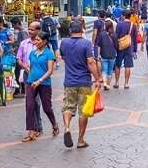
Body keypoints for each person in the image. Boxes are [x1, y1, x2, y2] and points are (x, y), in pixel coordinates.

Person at [60, 20, 103, 149]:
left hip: (69, 81)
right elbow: (90, 62)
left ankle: (67, 128)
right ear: (82, 30)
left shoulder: (64, 43)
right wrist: (97, 78)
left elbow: (63, 58)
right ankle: (80, 140)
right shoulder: (86, 44)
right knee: (83, 111)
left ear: (70, 31)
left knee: (67, 107)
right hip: (84, 81)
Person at [23, 31, 58, 142]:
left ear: (45, 41)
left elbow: (50, 71)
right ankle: (32, 131)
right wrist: (29, 72)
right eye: (35, 40)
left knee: (47, 107)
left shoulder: (49, 54)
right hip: (31, 82)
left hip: (44, 83)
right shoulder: (32, 53)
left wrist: (39, 80)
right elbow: (32, 66)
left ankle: (54, 124)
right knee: (30, 106)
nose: (36, 42)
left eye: (38, 40)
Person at [16, 21, 42, 131]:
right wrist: (25, 66)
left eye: (32, 29)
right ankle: (33, 127)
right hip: (27, 74)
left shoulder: (42, 43)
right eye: (29, 29)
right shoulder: (24, 43)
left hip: (39, 75)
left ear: (38, 30)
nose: (29, 31)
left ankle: (38, 125)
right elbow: (18, 59)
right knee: (30, 100)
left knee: (37, 101)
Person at [0, 17, 14, 106]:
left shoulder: (8, 31)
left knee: (5, 76)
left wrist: (4, 42)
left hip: (7, 55)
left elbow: (12, 40)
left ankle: (5, 96)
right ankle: (0, 97)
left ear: (1, 23)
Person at [114, 10, 134, 88]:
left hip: (120, 47)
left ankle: (116, 82)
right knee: (127, 66)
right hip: (129, 47)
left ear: (124, 16)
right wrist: (134, 49)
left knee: (117, 65)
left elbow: (116, 37)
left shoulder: (119, 25)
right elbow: (134, 39)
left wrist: (115, 47)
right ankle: (126, 83)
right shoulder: (133, 25)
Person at [97, 19, 117, 91]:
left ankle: (104, 83)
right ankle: (108, 84)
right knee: (110, 70)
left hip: (104, 54)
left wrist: (98, 54)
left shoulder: (101, 34)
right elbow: (116, 46)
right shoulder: (114, 35)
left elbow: (99, 45)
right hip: (112, 55)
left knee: (104, 70)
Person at [11, 17, 28, 97]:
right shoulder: (23, 31)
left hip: (21, 56)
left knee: (19, 72)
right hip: (22, 56)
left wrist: (16, 47)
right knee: (19, 72)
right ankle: (21, 90)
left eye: (13, 24)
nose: (13, 26)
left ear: (17, 23)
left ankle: (21, 90)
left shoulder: (22, 32)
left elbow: (23, 44)